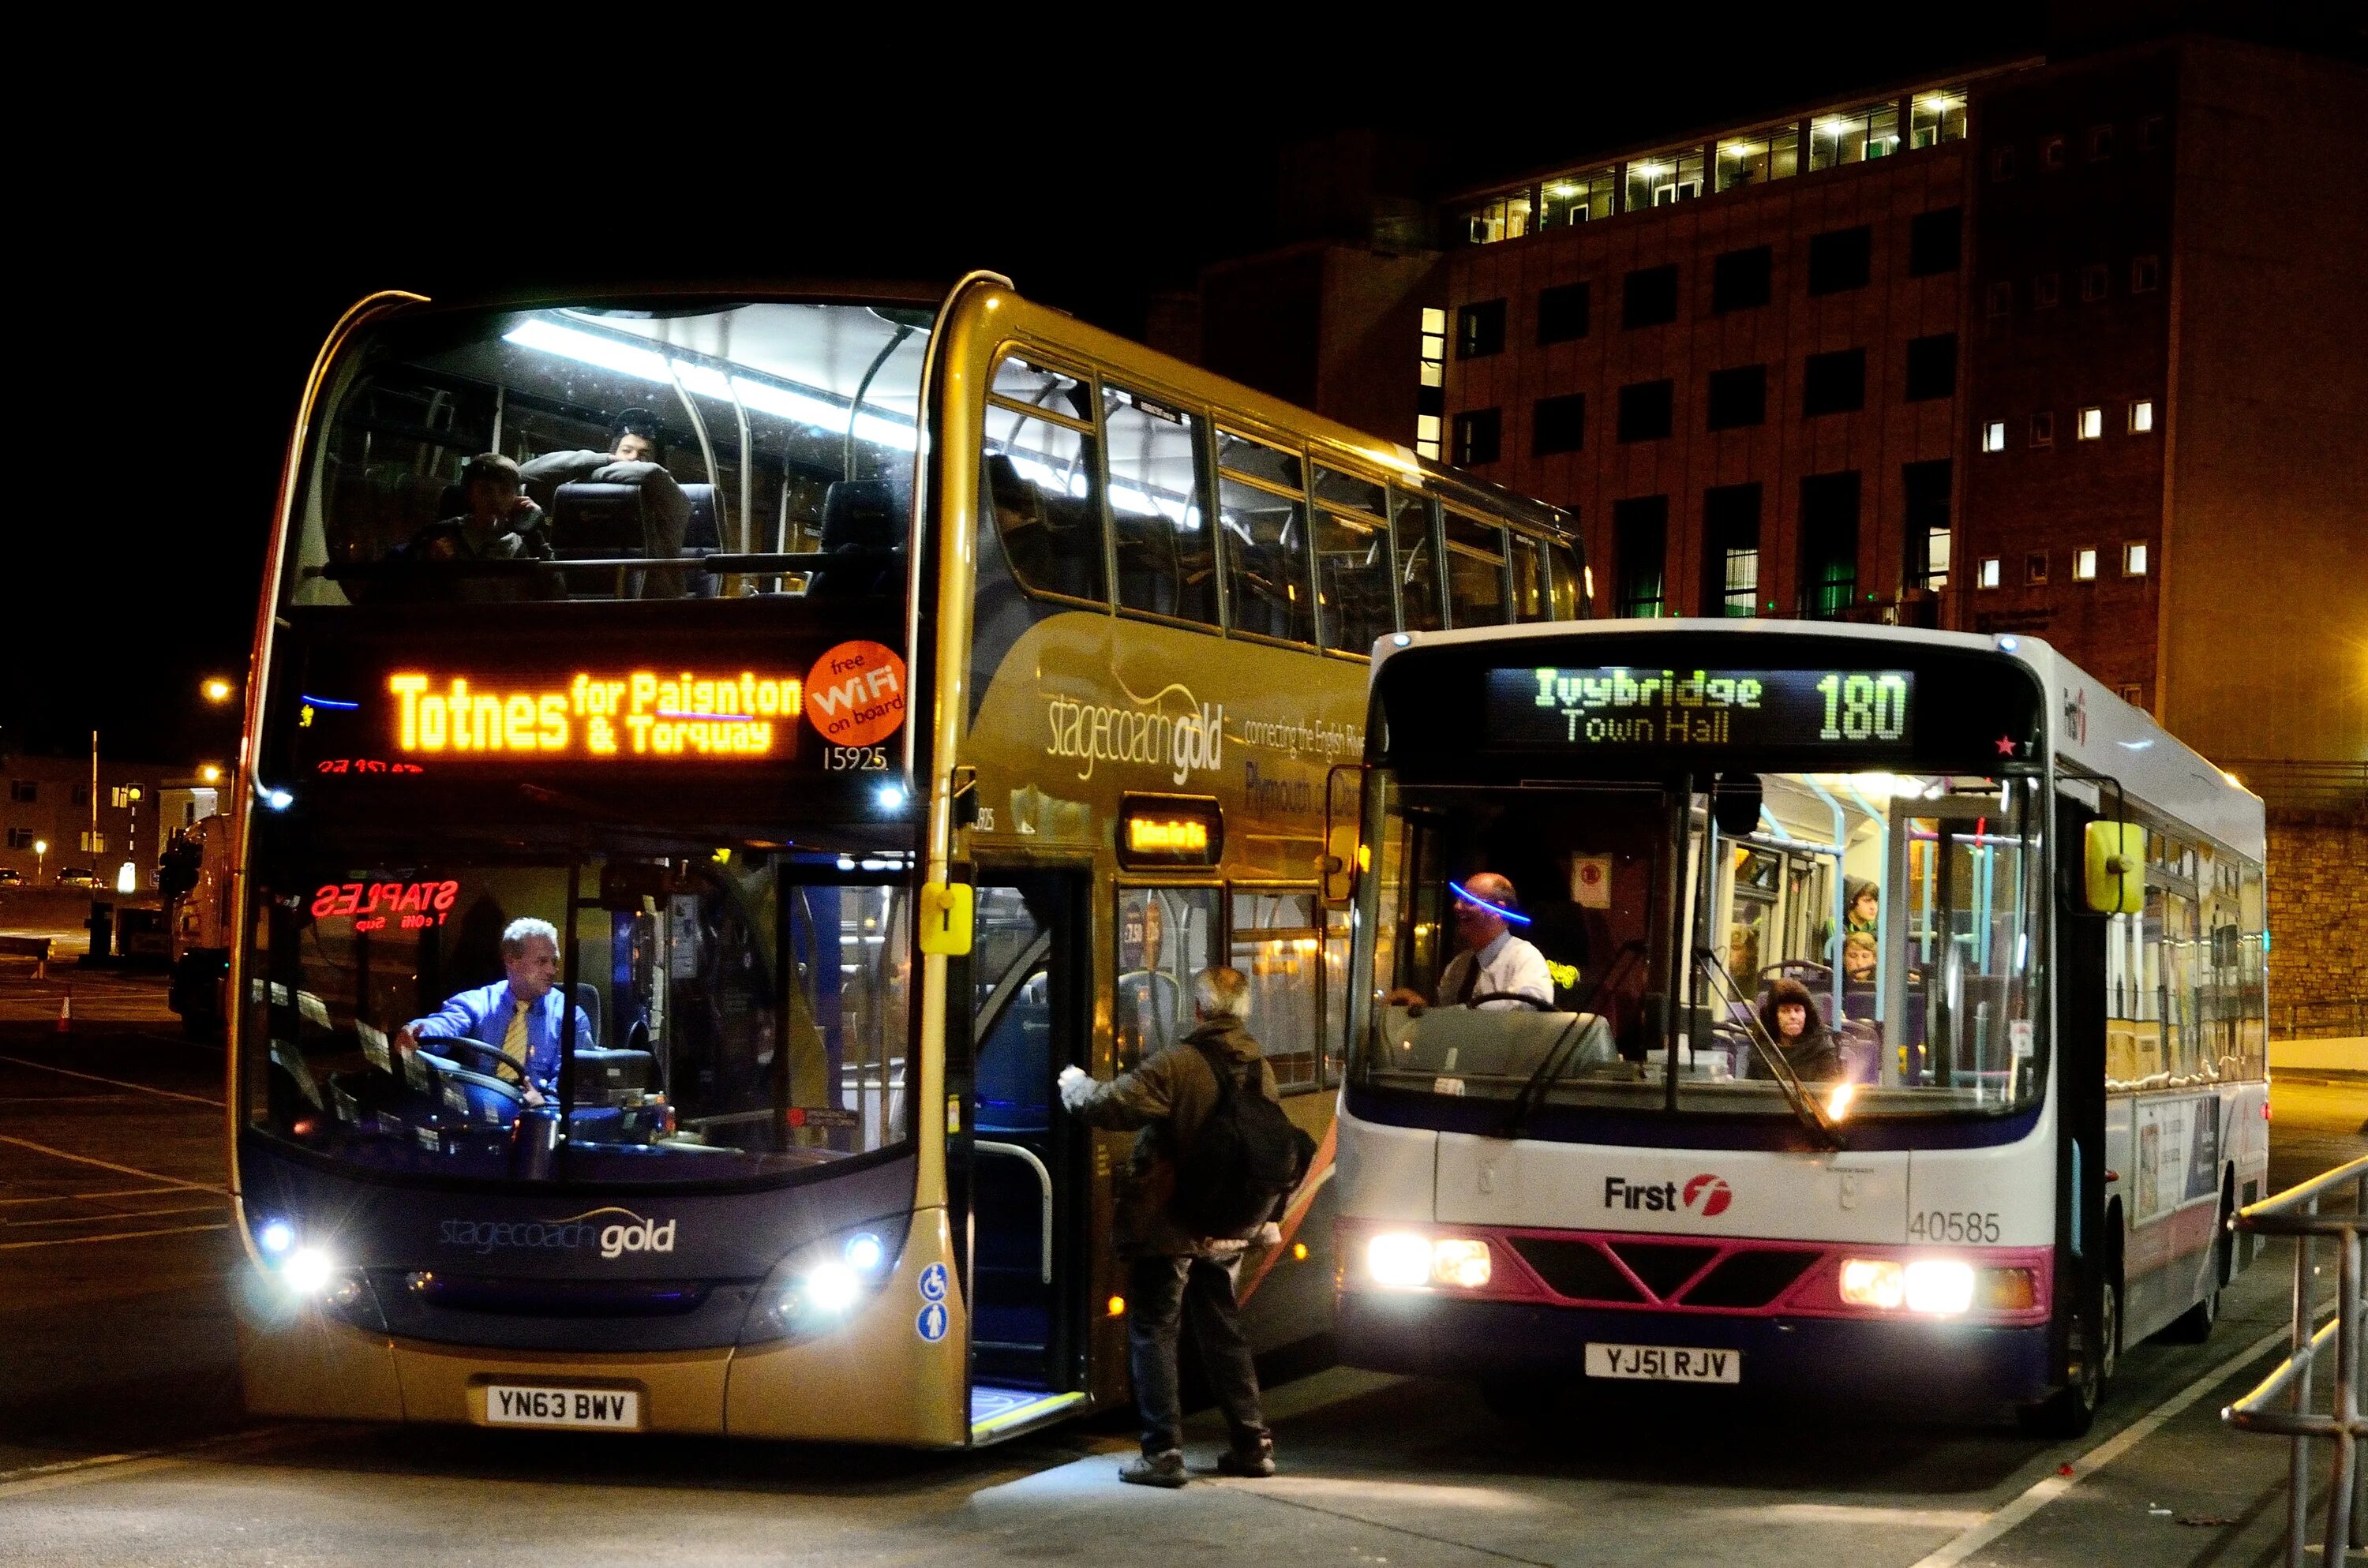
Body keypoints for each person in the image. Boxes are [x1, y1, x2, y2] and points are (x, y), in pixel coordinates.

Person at [1056, 967, 1279, 1489]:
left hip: (1172, 1220)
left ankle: (1163, 1453)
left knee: (1155, 1328)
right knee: (1222, 1326)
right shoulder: (1259, 1065)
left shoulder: (1180, 1062)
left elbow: (1111, 1104)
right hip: (1229, 1220)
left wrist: (1074, 1085)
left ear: (1198, 1010)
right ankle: (1253, 1444)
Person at [395, 918, 594, 1108]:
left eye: (554, 961)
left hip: (536, 1120)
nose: (552, 970)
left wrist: (544, 1102)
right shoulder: (479, 1003)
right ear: (511, 961)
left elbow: (571, 1082)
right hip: (479, 1112)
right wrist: (414, 1032)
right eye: (542, 962)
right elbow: (444, 1025)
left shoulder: (571, 1017)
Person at [402, 454, 557, 601]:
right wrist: (430, 563)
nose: (495, 499)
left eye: (505, 491)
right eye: (485, 491)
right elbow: (404, 591)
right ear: (470, 495)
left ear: (517, 496)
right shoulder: (442, 534)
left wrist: (533, 530)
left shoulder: (526, 539)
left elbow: (556, 594)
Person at [1426, 873, 1554, 1009]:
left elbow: (1531, 1006)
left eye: (1468, 901)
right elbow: (1441, 1014)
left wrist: (1463, 1011)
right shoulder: (1459, 965)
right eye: (1458, 900)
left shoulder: (1524, 957)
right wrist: (1421, 1007)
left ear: (1498, 909)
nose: (1457, 906)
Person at [1749, 976, 1845, 1082]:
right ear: (1774, 1016)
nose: (1793, 1016)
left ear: (1806, 1014)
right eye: (1785, 1011)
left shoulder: (1823, 1048)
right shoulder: (1761, 1049)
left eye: (1798, 1010)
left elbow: (1828, 1092)